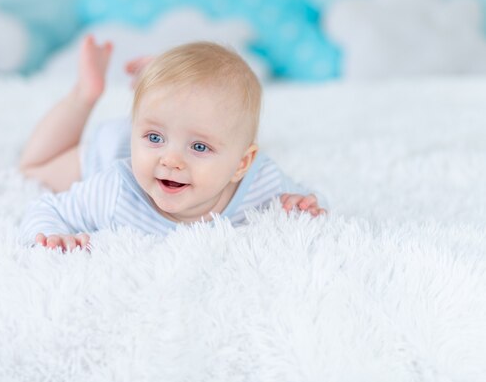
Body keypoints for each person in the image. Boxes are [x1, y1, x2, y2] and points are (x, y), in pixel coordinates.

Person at [19, 35, 326, 252]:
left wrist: (301, 204)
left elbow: (303, 199)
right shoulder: (114, 189)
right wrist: (53, 236)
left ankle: (165, 93)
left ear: (241, 164)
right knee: (33, 168)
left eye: (199, 147)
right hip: (113, 149)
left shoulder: (262, 182)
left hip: (150, 132)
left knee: (178, 117)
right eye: (156, 139)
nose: (171, 160)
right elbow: (46, 208)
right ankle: (85, 93)